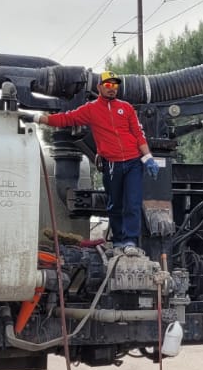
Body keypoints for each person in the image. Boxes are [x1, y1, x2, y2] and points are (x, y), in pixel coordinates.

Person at [20, 73, 160, 248]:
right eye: (108, 85)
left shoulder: (126, 108)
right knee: (115, 205)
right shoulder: (90, 110)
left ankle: (130, 241)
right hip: (112, 164)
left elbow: (138, 135)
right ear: (99, 87)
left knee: (133, 203)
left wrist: (148, 158)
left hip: (133, 162)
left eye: (115, 85)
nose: (112, 89)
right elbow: (65, 119)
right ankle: (118, 241)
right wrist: (36, 118)